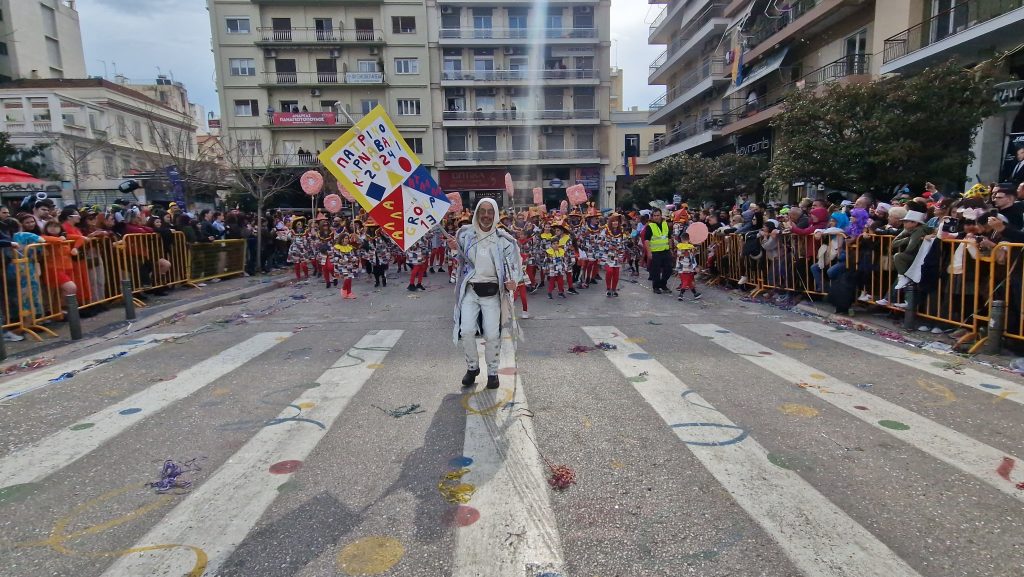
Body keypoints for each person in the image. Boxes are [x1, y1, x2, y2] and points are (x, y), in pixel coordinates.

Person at [449, 198, 523, 389]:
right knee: (466, 330)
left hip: (492, 294)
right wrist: (453, 249)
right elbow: (459, 260)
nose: (486, 215)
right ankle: (472, 368)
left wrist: (513, 280)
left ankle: (492, 372)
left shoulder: (504, 240)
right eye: (482, 211)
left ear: (495, 214)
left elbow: (514, 264)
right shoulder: (465, 235)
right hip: (470, 291)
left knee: (491, 334)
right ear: (476, 213)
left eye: (490, 211)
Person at [640, 208, 673, 294]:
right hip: (655, 252)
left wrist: (671, 248)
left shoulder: (665, 224)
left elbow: (669, 237)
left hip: (665, 250)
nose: (656, 217)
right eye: (654, 215)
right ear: (652, 216)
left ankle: (663, 284)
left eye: (658, 215)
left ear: (661, 215)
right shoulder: (650, 226)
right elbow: (646, 240)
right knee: (656, 271)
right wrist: (649, 252)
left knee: (669, 269)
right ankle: (656, 287)